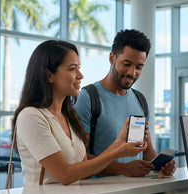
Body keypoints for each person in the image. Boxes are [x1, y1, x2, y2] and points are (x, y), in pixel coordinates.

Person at [11, 40, 147, 186]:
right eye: (72, 69)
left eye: (79, 68)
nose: (80, 75)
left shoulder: (69, 116)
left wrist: (118, 145)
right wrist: (117, 153)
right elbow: (65, 174)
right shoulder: (31, 116)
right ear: (49, 75)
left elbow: (85, 170)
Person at [74, 29, 176, 177]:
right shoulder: (88, 97)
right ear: (111, 58)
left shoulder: (140, 100)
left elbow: (147, 152)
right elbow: (79, 158)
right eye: (126, 64)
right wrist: (122, 168)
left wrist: (161, 164)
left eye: (138, 67)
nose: (132, 72)